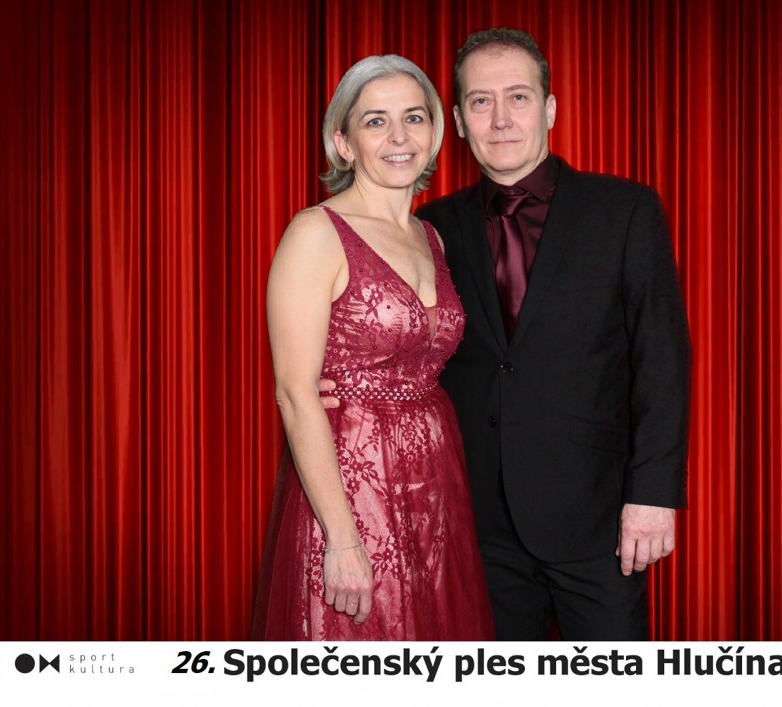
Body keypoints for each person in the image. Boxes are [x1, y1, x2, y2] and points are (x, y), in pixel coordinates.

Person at [414, 28, 692, 640]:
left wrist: (654, 494)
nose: (501, 118)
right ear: (457, 122)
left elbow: (663, 359)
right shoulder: (430, 227)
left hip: (598, 517)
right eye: (481, 101)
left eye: (518, 97)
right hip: (476, 522)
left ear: (550, 108)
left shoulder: (625, 211)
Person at [251, 54, 494, 640]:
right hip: (353, 488)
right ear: (344, 142)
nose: (399, 136)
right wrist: (341, 537)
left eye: (414, 117)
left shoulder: (430, 235)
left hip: (435, 481)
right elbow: (295, 394)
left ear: (435, 131)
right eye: (375, 121)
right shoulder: (315, 233)